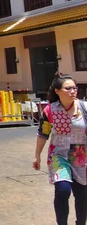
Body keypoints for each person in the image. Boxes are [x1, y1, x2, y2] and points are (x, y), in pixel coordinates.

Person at [33, 75, 87, 225]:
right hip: (59, 156)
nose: (73, 91)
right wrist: (37, 156)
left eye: (74, 88)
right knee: (63, 190)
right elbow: (43, 134)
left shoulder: (84, 108)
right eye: (68, 88)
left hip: (81, 156)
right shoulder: (50, 111)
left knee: (82, 195)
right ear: (57, 91)